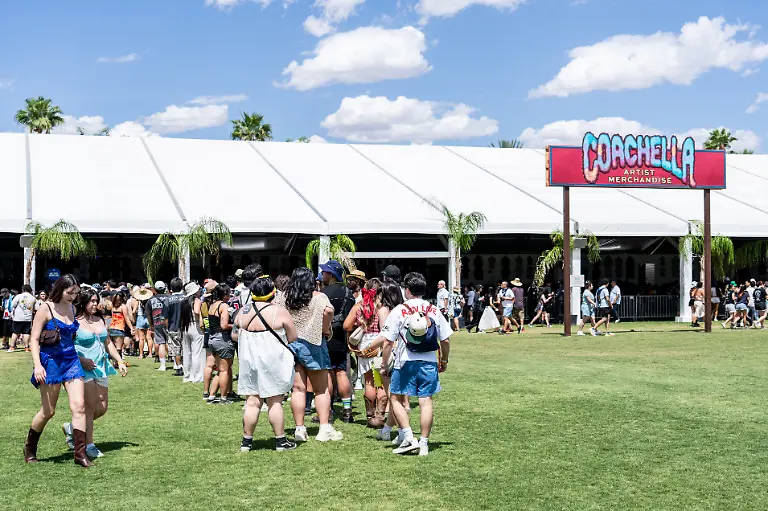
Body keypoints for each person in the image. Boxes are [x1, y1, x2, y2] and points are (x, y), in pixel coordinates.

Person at [373, 272, 451, 457]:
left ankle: (408, 436)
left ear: (407, 290)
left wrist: (383, 364)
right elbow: (445, 340)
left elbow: (387, 341)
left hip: (405, 360)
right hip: (429, 360)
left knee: (395, 398)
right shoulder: (433, 309)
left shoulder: (399, 310)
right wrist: (444, 360)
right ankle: (423, 443)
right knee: (426, 401)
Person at [24, 275, 91, 467]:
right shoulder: (45, 308)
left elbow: (70, 340)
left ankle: (80, 454)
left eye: (76, 293)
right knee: (48, 411)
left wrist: (81, 358)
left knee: (79, 406)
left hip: (71, 361)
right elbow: (34, 339)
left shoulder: (73, 308)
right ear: (60, 289)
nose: (73, 297)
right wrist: (38, 365)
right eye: (69, 293)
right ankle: (29, 449)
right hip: (50, 362)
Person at [276, 267, 343, 442]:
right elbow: (329, 311)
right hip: (313, 342)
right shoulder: (319, 297)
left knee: (298, 389)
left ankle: (299, 428)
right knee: (321, 389)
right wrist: (325, 328)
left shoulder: (283, 297)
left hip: (290, 343)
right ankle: (324, 428)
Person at [234, 276, 299, 452]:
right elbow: (293, 337)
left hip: (249, 359)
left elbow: (235, 334)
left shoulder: (243, 311)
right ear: (272, 293)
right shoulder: (279, 311)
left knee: (252, 402)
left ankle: (246, 441)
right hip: (273, 359)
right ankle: (280, 440)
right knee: (275, 401)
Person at [65, 287, 127, 459]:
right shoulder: (74, 321)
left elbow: (108, 343)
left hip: (101, 367)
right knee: (90, 408)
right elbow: (67, 347)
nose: (95, 304)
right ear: (83, 302)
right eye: (92, 301)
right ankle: (89, 445)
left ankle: (72, 428)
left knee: (102, 407)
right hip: (82, 369)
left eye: (96, 301)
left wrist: (119, 361)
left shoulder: (100, 319)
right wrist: (81, 360)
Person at [320, 260, 356, 423]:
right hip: (343, 335)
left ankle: (328, 410)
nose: (323, 274)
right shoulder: (349, 293)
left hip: (326, 334)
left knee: (327, 372)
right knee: (341, 372)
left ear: (331, 274)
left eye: (325, 272)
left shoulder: (324, 293)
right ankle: (347, 410)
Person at [207, 283, 236, 404]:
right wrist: (236, 325)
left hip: (212, 338)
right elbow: (224, 325)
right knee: (224, 370)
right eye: (229, 293)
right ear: (224, 295)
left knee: (220, 370)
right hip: (222, 339)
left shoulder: (212, 305)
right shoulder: (223, 306)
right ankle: (224, 398)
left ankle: (211, 395)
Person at [180, 282, 206, 384]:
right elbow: (196, 311)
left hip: (186, 327)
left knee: (187, 353)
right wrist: (201, 318)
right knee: (197, 353)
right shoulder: (197, 300)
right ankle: (197, 375)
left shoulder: (183, 302)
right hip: (195, 326)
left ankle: (187, 375)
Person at [146, 281, 170, 371]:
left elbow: (148, 314)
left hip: (157, 323)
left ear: (155, 289)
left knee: (161, 343)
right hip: (169, 323)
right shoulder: (169, 298)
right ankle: (176, 364)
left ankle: (163, 365)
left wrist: (151, 325)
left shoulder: (151, 300)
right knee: (171, 343)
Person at [165, 278, 186, 376]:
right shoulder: (186, 298)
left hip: (173, 327)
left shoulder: (168, 300)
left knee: (176, 349)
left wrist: (167, 328)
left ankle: (179, 367)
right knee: (185, 347)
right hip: (186, 327)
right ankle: (186, 366)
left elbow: (165, 317)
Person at [10, 284, 36, 352]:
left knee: (15, 332)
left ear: (23, 289)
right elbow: (36, 308)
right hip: (28, 318)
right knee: (26, 333)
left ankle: (12, 347)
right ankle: (26, 348)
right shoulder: (33, 298)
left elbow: (13, 305)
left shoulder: (18, 296)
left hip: (18, 317)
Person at [107, 291, 133, 359]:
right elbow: (126, 318)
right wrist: (131, 328)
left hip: (112, 327)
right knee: (119, 348)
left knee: (113, 346)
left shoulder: (113, 307)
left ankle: (113, 360)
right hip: (119, 328)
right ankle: (118, 362)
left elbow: (113, 316)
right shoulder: (123, 307)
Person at [131, 286, 153, 359]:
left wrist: (134, 318)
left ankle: (141, 354)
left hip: (140, 318)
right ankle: (150, 353)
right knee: (149, 338)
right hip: (148, 318)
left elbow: (134, 311)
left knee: (141, 338)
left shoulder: (138, 301)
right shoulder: (149, 301)